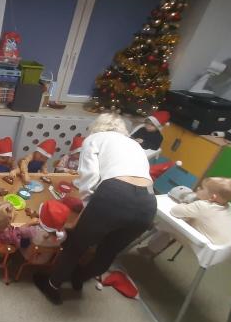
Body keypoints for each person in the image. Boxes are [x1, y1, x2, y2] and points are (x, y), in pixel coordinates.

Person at [34, 113, 156, 305]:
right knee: (108, 251)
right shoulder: (134, 144)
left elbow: (90, 178)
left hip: (115, 194)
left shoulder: (95, 139)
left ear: (96, 127)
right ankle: (79, 277)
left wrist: (85, 209)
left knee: (76, 245)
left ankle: (52, 286)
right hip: (147, 203)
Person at [140, 177, 231, 256]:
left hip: (202, 247)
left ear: (212, 197)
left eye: (202, 188)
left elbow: (175, 211)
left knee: (166, 224)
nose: (198, 189)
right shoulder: (228, 206)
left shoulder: (202, 206)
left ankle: (150, 249)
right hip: (221, 250)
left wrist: (185, 204)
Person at [19, 200, 70, 265]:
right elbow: (49, 223)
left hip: (31, 256)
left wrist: (29, 223)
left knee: (20, 237)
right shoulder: (63, 235)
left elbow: (19, 231)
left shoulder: (34, 231)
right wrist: (35, 215)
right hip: (45, 258)